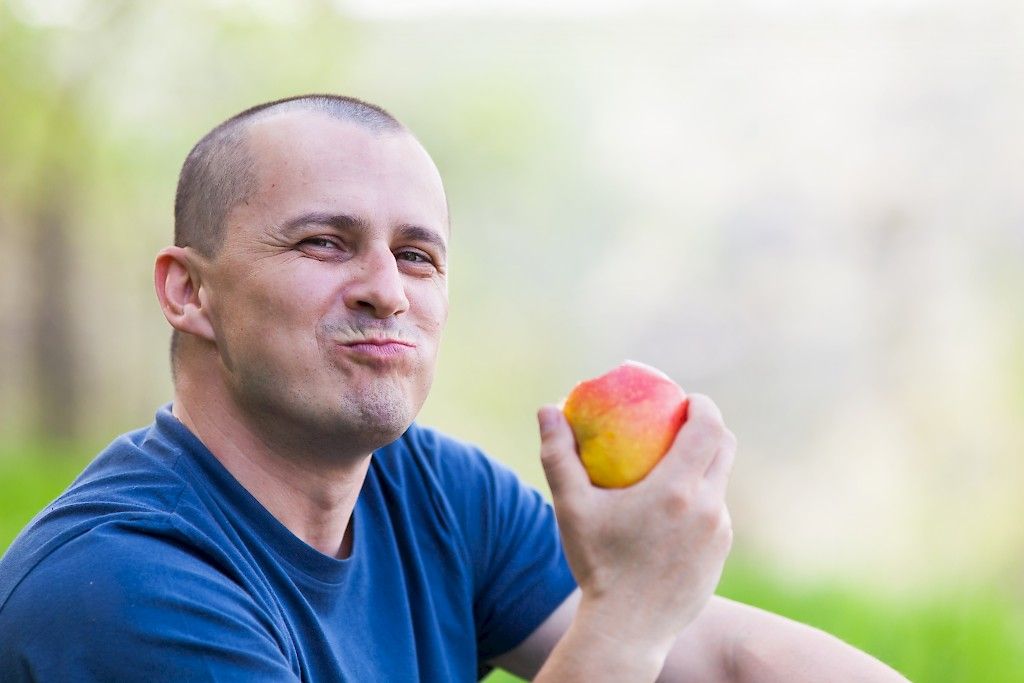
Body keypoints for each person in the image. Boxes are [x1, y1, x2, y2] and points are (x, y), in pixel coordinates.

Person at [0, 94, 907, 682]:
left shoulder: (429, 490)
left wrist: (647, 611)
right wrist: (623, 617)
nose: (386, 288)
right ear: (189, 291)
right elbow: (635, 637)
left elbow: (729, 659)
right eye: (324, 241)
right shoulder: (119, 588)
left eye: (417, 255)